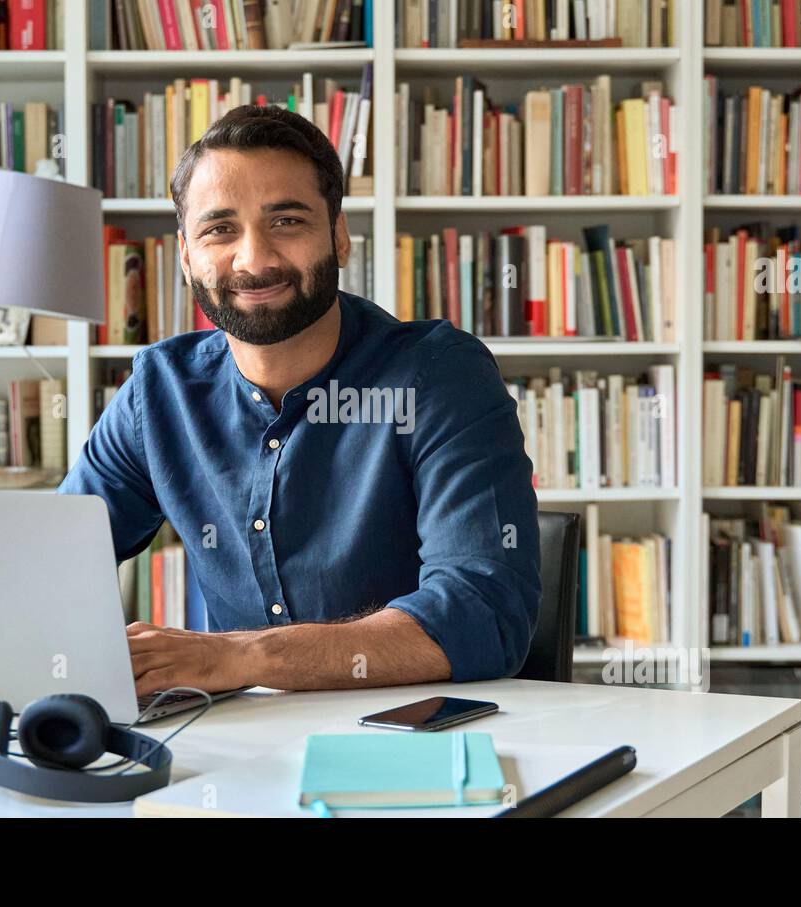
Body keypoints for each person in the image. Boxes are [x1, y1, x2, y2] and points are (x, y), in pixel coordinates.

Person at [58, 104, 540, 695]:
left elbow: (485, 613)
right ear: (185, 255)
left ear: (339, 236)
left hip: (411, 741)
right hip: (236, 748)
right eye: (219, 229)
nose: (254, 260)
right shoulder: (159, 390)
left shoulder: (439, 375)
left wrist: (238, 658)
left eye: (286, 221)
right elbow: (48, 566)